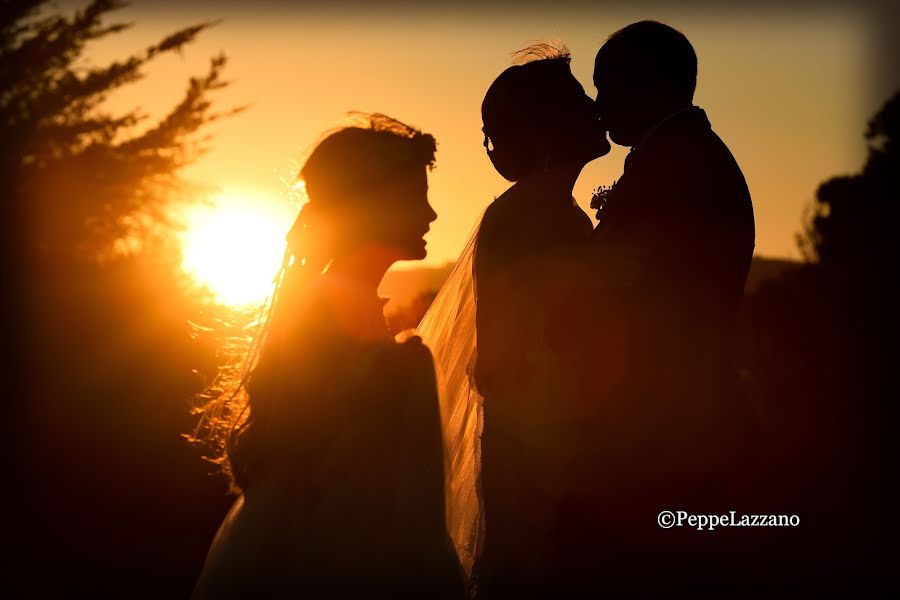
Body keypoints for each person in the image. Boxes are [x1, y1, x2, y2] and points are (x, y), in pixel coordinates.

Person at [190, 114, 464, 599]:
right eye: (415, 197)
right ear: (372, 207)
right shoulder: (331, 305)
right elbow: (326, 451)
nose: (431, 215)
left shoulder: (339, 300)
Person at [564, 20, 765, 595]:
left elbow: (634, 302)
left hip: (671, 437)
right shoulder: (679, 154)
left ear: (649, 82)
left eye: (606, 87)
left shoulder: (677, 164)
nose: (600, 106)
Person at [417, 43, 611, 598]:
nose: (596, 108)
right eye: (579, 101)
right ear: (548, 128)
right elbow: (507, 356)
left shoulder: (548, 210)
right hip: (540, 457)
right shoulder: (530, 215)